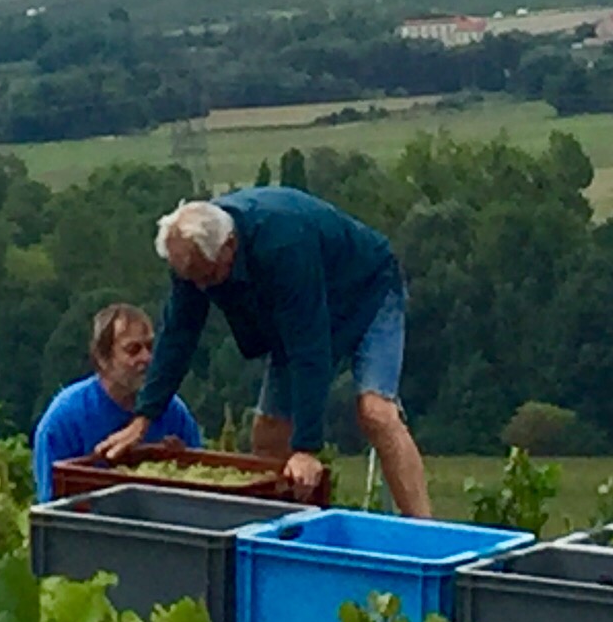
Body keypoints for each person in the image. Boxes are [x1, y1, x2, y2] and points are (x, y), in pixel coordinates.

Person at [96, 185, 430, 517]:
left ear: (230, 246)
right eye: (192, 279)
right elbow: (178, 335)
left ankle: (427, 536)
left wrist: (306, 448)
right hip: (296, 311)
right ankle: (284, 533)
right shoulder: (194, 260)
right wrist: (144, 418)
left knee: (375, 412)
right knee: (268, 432)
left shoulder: (284, 246)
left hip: (367, 290)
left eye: (209, 277)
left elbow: (309, 346)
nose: (202, 288)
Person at [30, 303, 201, 500]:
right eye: (133, 350)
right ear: (103, 358)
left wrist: (180, 462)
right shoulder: (64, 420)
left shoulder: (173, 411)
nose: (147, 358)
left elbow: (199, 486)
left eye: (150, 347)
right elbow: (52, 505)